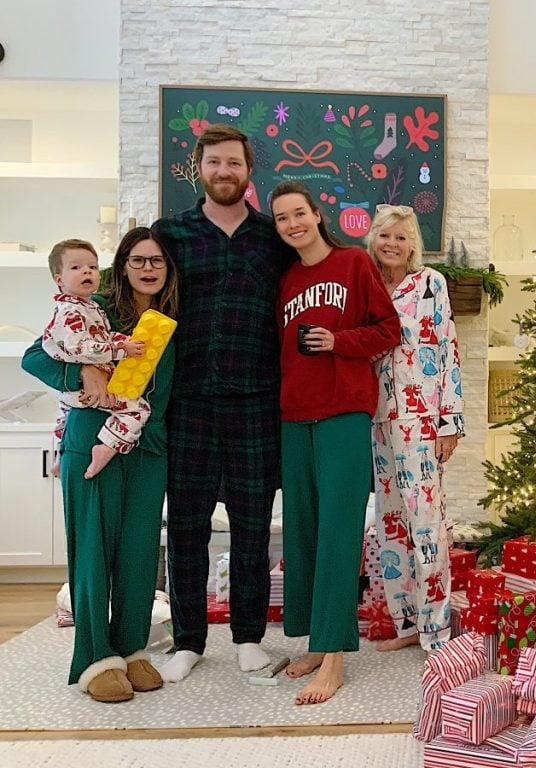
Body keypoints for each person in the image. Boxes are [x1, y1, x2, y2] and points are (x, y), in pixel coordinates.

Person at [151, 124, 294, 682]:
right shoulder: (171, 233)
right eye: (214, 162)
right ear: (199, 168)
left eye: (234, 162)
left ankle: (250, 639)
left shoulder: (272, 237)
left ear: (247, 170)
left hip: (258, 403)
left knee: (254, 526)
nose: (224, 171)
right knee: (185, 527)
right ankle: (188, 641)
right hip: (187, 403)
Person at [21, 227, 180, 702]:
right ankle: (94, 659)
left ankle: (131, 650)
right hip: (90, 441)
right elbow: (35, 357)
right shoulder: (92, 310)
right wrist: (81, 371)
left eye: (158, 261)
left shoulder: (170, 321)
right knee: (92, 553)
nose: (148, 269)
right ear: (123, 265)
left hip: (149, 449)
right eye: (138, 260)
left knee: (137, 556)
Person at [269, 181, 400, 704]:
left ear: (317, 214)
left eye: (298, 213)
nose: (292, 224)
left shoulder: (353, 265)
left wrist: (339, 342)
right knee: (301, 532)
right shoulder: (283, 279)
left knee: (339, 532)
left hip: (344, 412)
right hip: (293, 416)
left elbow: (388, 329)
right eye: (281, 219)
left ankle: (336, 658)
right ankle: (315, 643)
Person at [367, 205, 465, 653]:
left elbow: (447, 350)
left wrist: (450, 423)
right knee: (390, 523)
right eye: (385, 236)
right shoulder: (365, 284)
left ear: (412, 245)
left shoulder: (430, 284)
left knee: (426, 524)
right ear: (373, 239)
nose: (392, 244)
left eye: (401, 238)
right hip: (376, 418)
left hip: (422, 418)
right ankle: (406, 623)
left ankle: (437, 631)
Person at [41, 239, 148, 480]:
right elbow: (80, 347)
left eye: (92, 266)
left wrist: (122, 338)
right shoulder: (70, 312)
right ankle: (108, 446)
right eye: (76, 267)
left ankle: (60, 456)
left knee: (64, 418)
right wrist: (121, 348)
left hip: (73, 392)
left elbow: (102, 334)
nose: (87, 271)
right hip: (86, 389)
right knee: (138, 409)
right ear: (59, 280)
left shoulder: (90, 307)